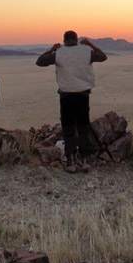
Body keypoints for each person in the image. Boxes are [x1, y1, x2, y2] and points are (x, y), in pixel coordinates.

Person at [36, 30, 107, 173]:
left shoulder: (59, 54)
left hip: (66, 96)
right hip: (82, 96)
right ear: (76, 39)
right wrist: (90, 44)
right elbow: (103, 56)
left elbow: (40, 61)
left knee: (68, 129)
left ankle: (71, 162)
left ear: (64, 40)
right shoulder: (86, 52)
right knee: (82, 128)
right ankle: (85, 161)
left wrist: (52, 49)